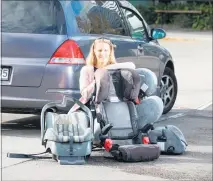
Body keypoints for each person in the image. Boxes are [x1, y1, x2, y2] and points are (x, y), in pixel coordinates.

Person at [70, 37, 163, 131]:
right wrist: (97, 82)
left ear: (110, 52)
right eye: (99, 50)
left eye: (106, 50)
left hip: (116, 105)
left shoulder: (117, 68)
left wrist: (106, 69)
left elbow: (131, 65)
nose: (102, 53)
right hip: (94, 106)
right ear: (94, 51)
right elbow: (84, 94)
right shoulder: (87, 70)